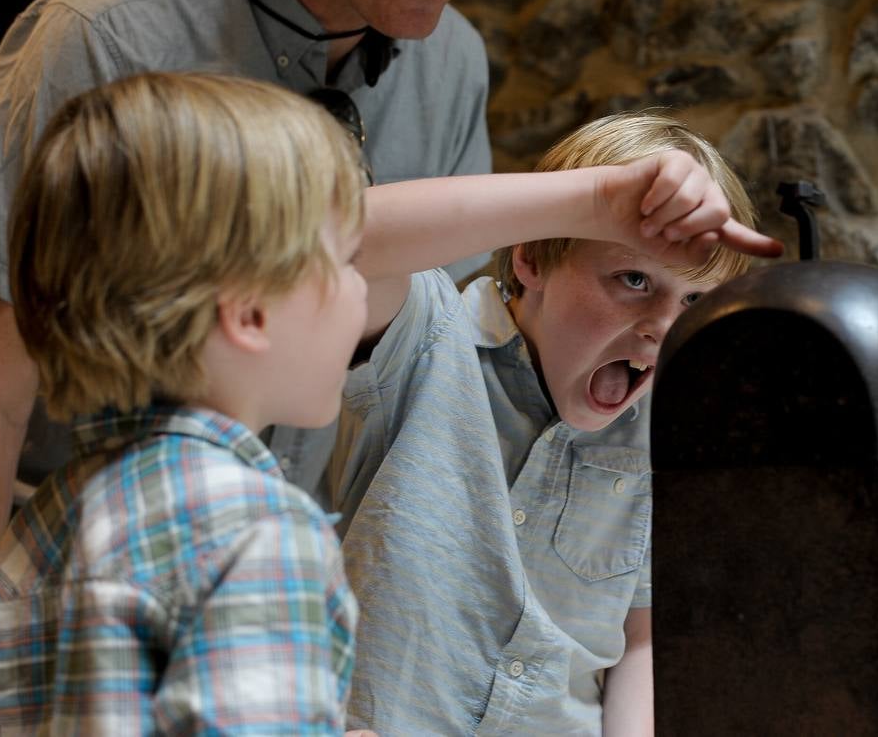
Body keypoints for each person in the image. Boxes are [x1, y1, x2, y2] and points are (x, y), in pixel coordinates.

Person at [0, 0, 509, 620]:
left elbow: (426, 376)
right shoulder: (104, 29)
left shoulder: (454, 64)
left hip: (266, 582)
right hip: (58, 580)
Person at [328, 112, 782, 734]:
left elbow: (641, 642)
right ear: (532, 258)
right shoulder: (427, 338)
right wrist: (595, 201)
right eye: (634, 279)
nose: (663, 327)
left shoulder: (668, 433)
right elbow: (336, 239)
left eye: (694, 300)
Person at [0, 72, 370, 733]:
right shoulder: (260, 534)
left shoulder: (48, 519)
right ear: (250, 312)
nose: (362, 288)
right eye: (348, 260)